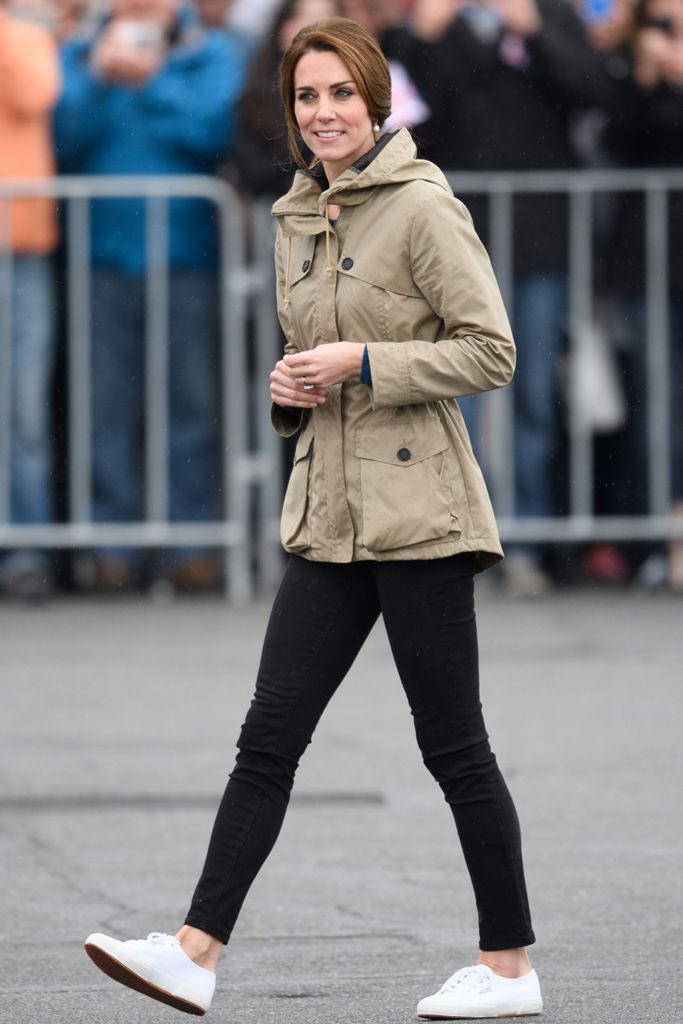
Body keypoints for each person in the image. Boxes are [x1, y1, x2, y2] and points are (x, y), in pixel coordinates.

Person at [82, 16, 542, 1020]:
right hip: (327, 512)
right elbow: (315, 360)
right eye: (305, 97)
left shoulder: (423, 206)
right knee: (266, 737)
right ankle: (194, 951)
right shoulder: (298, 210)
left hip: (419, 510)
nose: (321, 112)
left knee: (452, 743)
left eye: (339, 94)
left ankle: (508, 966)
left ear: (375, 101)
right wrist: (293, 389)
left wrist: (363, 363)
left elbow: (490, 350)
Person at [53, 0, 246, 591]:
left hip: (187, 257)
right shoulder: (81, 54)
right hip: (102, 258)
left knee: (190, 406)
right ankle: (111, 549)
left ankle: (192, 546)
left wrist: (152, 78)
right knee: (104, 408)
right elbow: (59, 138)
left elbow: (214, 131)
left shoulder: (211, 51)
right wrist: (96, 77)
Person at [602, 0, 683, 589]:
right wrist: (649, 77)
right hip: (648, 263)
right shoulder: (628, 69)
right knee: (655, 402)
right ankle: (662, 536)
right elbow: (614, 138)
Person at [0, 0, 60, 599]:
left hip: (16, 251)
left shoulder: (22, 37)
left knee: (20, 410)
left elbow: (36, 95)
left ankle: (27, 552)